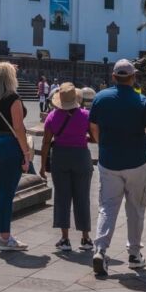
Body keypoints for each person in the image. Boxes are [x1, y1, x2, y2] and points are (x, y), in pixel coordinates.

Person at [89, 59, 146, 278]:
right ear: (133, 77)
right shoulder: (142, 101)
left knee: (107, 206)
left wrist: (104, 145)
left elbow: (93, 127)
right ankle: (134, 254)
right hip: (137, 161)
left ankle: (100, 249)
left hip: (109, 161)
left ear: (113, 77)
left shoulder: (100, 98)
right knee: (136, 208)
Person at [40, 82, 94, 252]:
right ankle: (85, 238)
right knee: (82, 197)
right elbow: (95, 138)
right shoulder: (86, 115)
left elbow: (46, 142)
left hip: (60, 157)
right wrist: (81, 137)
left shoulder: (52, 117)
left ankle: (65, 239)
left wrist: (42, 165)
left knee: (62, 197)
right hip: (81, 157)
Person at [0, 61, 31, 251]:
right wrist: (26, 153)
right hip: (8, 145)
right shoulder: (14, 99)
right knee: (7, 193)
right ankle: (5, 237)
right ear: (11, 78)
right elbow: (18, 129)